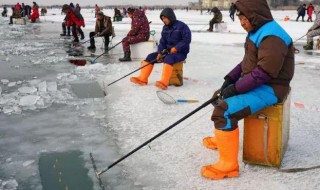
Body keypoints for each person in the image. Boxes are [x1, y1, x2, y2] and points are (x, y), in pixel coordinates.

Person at [201, 0, 294, 180]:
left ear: (255, 15)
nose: (242, 22)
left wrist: (236, 88)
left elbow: (264, 73)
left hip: (271, 88)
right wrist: (230, 80)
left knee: (224, 110)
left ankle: (229, 166)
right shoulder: (256, 31)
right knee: (218, 97)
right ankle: (223, 139)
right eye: (239, 18)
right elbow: (247, 62)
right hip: (257, 82)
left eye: (244, 18)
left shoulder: (272, 36)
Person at [130, 8, 191, 90]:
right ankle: (142, 79)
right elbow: (162, 42)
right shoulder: (165, 28)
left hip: (180, 53)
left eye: (165, 18)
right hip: (168, 52)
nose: (164, 20)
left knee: (169, 58)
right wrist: (159, 52)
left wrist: (176, 48)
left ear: (170, 17)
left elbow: (186, 40)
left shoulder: (182, 26)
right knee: (151, 57)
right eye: (162, 19)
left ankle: (164, 82)